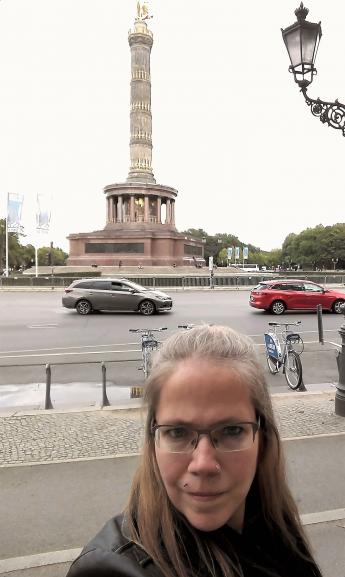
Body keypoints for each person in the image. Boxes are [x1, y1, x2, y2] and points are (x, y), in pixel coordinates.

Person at [67, 325, 323, 577]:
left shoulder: (276, 528)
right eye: (177, 433)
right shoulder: (111, 570)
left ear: (263, 438)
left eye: (232, 431)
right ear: (153, 441)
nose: (203, 464)